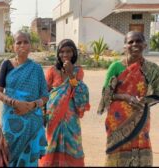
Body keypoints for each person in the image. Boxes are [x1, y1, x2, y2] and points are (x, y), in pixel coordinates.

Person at [97, 31, 159, 166]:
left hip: (141, 118)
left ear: (145, 45)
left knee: (141, 149)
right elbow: (105, 96)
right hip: (118, 120)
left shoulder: (152, 68)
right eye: (130, 42)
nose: (135, 44)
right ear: (125, 46)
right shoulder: (116, 67)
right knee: (117, 152)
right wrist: (125, 97)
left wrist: (144, 100)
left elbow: (157, 93)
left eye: (138, 41)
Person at [0, 31, 49, 167]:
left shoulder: (36, 68)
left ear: (31, 45)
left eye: (25, 42)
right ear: (12, 46)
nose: (22, 45)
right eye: (18, 42)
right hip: (12, 120)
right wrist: (14, 103)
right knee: (10, 156)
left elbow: (45, 95)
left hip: (32, 120)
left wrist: (31, 105)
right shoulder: (6, 65)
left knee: (29, 159)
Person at [39, 39, 90, 167]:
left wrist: (70, 73)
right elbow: (45, 94)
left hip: (71, 117)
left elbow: (78, 90)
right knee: (51, 144)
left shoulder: (78, 71)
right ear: (58, 54)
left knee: (73, 144)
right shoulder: (52, 71)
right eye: (62, 52)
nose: (65, 54)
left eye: (68, 51)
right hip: (53, 116)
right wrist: (43, 113)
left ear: (73, 53)